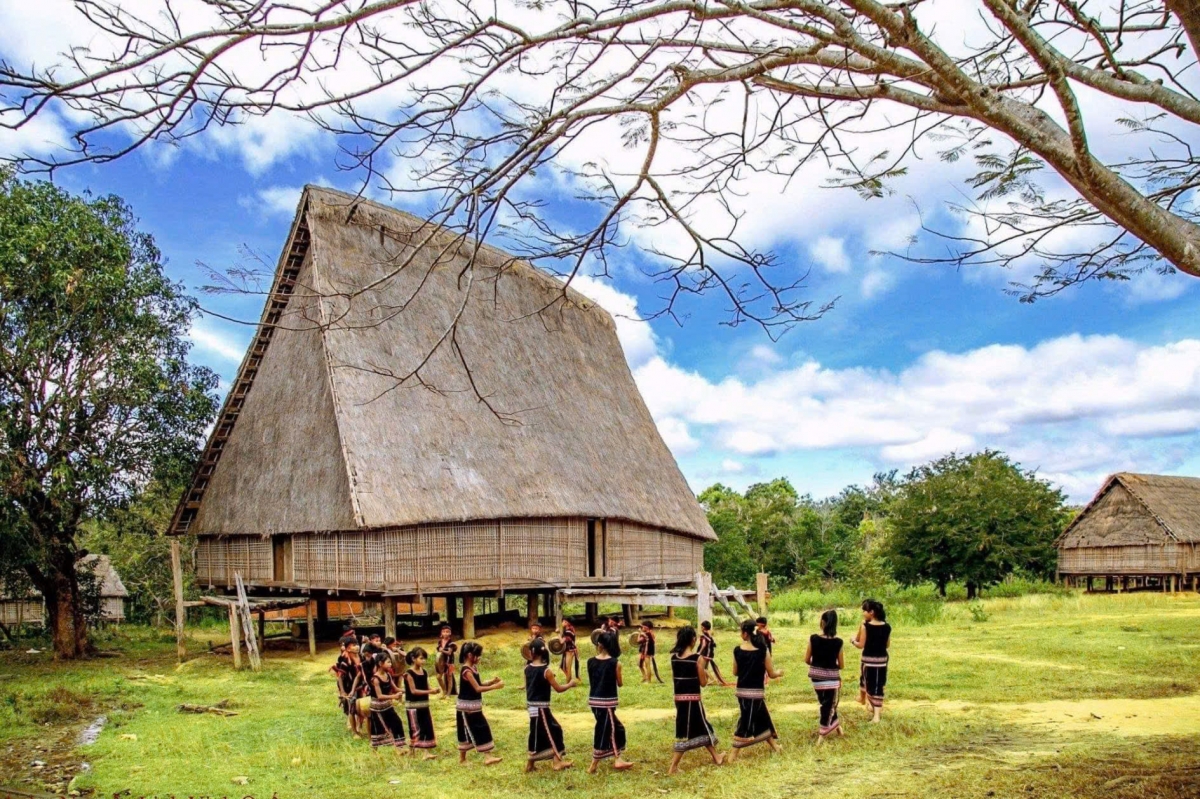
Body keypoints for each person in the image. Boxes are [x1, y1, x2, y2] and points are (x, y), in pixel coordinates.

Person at [667, 626, 722, 775]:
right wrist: (703, 671)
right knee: (685, 733)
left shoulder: (674, 658)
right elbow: (703, 683)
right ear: (693, 640)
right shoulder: (697, 659)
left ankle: (717, 757)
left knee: (703, 727)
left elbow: (674, 679)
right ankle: (673, 767)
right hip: (693, 700)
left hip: (679, 698)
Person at [727, 619, 783, 761]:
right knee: (746, 722)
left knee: (762, 717)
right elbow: (771, 674)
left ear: (745, 634)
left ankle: (776, 747)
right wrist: (779, 673)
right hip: (756, 692)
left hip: (741, 691)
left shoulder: (737, 650)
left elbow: (735, 672)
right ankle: (733, 754)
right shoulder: (763, 651)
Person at [524, 638, 579, 772]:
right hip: (541, 708)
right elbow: (558, 688)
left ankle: (531, 765)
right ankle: (556, 762)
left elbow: (528, 686)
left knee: (536, 733)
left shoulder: (527, 669)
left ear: (531, 653)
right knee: (554, 731)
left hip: (532, 706)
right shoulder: (546, 671)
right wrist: (570, 684)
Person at [587, 630, 634, 773]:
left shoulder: (590, 661)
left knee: (617, 728)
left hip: (594, 701)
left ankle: (616, 758)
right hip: (607, 703)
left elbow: (592, 681)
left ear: (599, 644)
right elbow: (619, 683)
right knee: (608, 730)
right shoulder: (616, 663)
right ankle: (596, 764)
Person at [456, 642, 504, 766]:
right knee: (468, 731)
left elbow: (479, 683)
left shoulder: (473, 669)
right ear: (470, 655)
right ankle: (463, 759)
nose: (479, 658)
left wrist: (491, 681)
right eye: (478, 655)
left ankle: (487, 757)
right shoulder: (466, 671)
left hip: (474, 706)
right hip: (467, 707)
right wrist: (495, 686)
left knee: (480, 728)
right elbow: (477, 688)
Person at [805, 609, 845, 742]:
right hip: (831, 679)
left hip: (816, 678)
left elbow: (807, 659)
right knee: (828, 705)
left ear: (822, 622)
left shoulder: (813, 638)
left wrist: (817, 664)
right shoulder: (838, 642)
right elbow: (841, 664)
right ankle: (823, 733)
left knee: (826, 703)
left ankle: (838, 728)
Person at [851, 599, 891, 722]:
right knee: (878, 685)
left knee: (868, 684)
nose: (863, 613)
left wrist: (853, 641)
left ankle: (874, 713)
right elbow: (887, 645)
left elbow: (860, 645)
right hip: (882, 660)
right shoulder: (887, 627)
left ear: (871, 612)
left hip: (868, 661)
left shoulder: (865, 627)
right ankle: (876, 713)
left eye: (864, 610)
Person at [404, 646, 441, 758]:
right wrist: (430, 691)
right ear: (413, 658)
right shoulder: (408, 673)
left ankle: (425, 752)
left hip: (424, 704)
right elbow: (413, 691)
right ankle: (412, 750)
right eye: (421, 658)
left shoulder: (424, 671)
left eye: (424, 658)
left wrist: (432, 690)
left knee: (426, 726)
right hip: (413, 706)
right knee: (415, 728)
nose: (423, 661)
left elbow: (426, 686)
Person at [368, 653, 409, 753]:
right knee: (379, 729)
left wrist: (408, 690)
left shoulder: (388, 675)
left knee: (397, 723)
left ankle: (400, 748)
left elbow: (395, 688)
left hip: (387, 706)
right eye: (388, 662)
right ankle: (374, 751)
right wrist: (394, 697)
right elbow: (380, 696)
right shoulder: (375, 679)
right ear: (380, 663)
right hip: (377, 708)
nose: (391, 664)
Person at [331, 636, 362, 735]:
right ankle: (354, 731)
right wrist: (343, 691)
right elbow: (340, 677)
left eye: (357, 644)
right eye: (354, 645)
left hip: (360, 687)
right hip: (349, 688)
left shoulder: (362, 657)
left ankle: (359, 726)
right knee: (352, 710)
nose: (357, 647)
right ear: (348, 648)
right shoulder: (345, 661)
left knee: (361, 707)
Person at [697, 620, 729, 686]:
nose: (701, 628)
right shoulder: (709, 635)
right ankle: (709, 680)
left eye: (701, 627)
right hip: (710, 654)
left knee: (703, 668)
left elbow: (703, 645)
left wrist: (699, 652)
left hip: (705, 654)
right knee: (706, 667)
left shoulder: (703, 636)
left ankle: (712, 679)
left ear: (703, 628)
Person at [435, 624, 458, 698]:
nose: (445, 633)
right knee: (438, 677)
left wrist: (442, 650)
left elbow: (449, 652)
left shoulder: (451, 643)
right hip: (441, 663)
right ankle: (444, 690)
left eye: (447, 632)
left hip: (449, 663)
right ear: (441, 633)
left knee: (449, 678)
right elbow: (438, 650)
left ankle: (448, 694)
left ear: (450, 633)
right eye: (444, 632)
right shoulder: (439, 642)